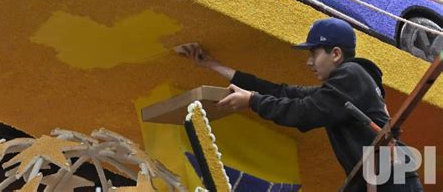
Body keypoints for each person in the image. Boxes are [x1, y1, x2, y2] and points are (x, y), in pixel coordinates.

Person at [177, 18, 423, 191]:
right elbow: (286, 93)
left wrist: (251, 100)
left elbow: (303, 113)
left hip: (393, 176)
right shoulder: (346, 87)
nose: (309, 62)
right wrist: (213, 65)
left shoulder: (351, 75)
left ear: (335, 54)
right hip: (389, 175)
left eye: (314, 53)